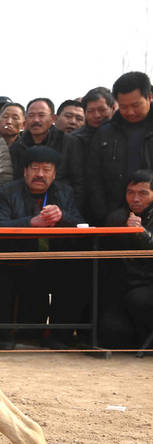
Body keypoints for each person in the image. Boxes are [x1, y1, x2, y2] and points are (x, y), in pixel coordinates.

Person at [0, 145, 86, 349]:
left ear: (54, 173)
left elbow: (80, 223)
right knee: (0, 276)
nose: (40, 174)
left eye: (46, 169)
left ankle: (58, 335)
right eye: (34, 168)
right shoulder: (6, 192)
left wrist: (62, 217)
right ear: (25, 170)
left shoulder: (64, 192)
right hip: (15, 256)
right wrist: (29, 223)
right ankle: (3, 335)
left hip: (52, 256)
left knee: (75, 271)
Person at [86, 72, 153, 225]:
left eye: (136, 105)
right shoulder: (105, 132)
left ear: (149, 97)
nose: (130, 112)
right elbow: (93, 177)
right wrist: (103, 212)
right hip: (115, 215)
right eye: (123, 107)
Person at [100, 170, 153, 348]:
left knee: (139, 299)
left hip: (147, 284)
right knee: (111, 331)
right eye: (131, 193)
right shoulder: (118, 217)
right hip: (125, 283)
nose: (135, 199)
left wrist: (141, 234)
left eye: (143, 193)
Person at [8, 97, 84, 214]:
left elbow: (79, 182)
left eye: (41, 115)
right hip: (24, 208)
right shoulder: (16, 147)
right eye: (31, 115)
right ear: (26, 119)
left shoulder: (69, 143)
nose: (36, 120)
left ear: (53, 118)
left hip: (61, 207)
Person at [72, 87, 115, 161]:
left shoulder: (125, 134)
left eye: (102, 110)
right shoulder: (74, 140)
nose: (96, 115)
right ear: (84, 112)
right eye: (90, 111)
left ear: (113, 109)